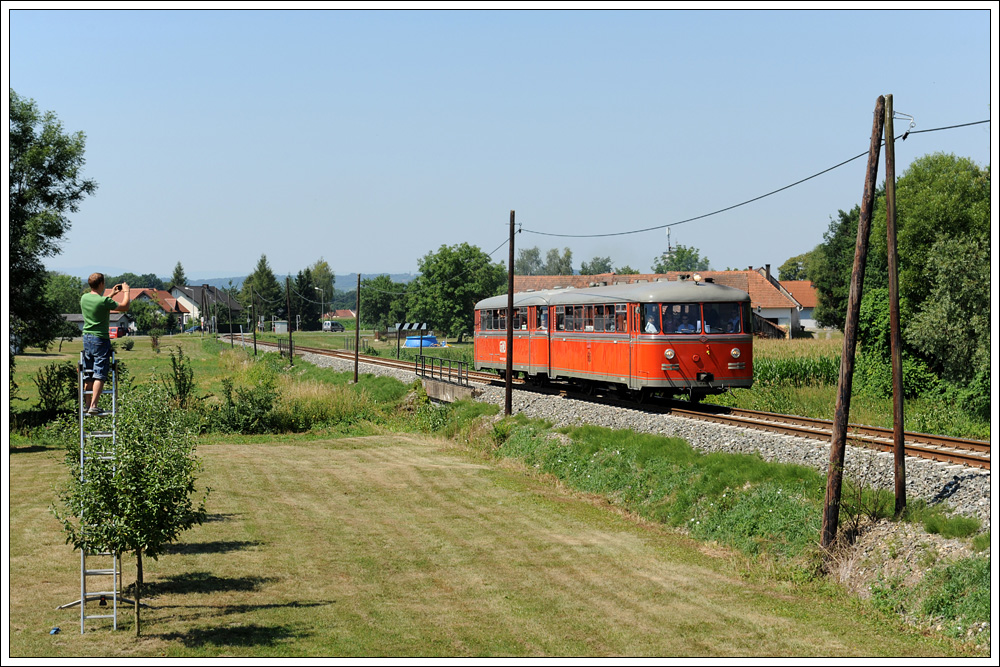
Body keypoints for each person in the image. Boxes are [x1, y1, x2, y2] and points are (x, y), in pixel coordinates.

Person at [80, 273, 131, 416]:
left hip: (87, 338)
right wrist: (126, 291)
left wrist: (112, 294)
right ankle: (94, 406)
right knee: (100, 373)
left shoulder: (84, 298)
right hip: (100, 339)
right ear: (101, 284)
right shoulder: (103, 301)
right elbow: (125, 306)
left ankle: (87, 405)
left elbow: (100, 303)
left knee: (88, 372)